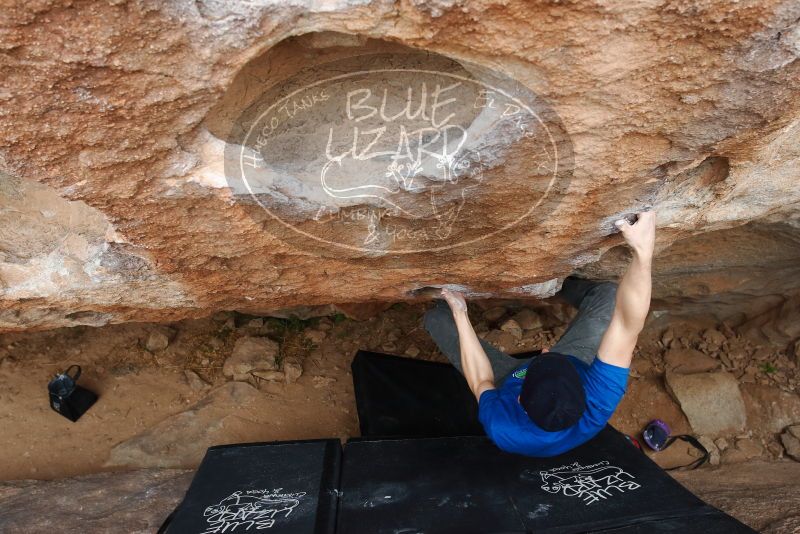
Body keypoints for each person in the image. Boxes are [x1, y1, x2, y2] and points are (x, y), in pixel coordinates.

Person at [423, 211, 656, 457]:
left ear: (520, 399)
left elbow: (482, 381)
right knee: (608, 295)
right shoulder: (598, 399)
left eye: (542, 358)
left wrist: (460, 314)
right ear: (581, 391)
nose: (545, 350)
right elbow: (626, 323)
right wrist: (643, 253)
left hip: (505, 378)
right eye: (549, 355)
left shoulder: (504, 427)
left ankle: (449, 311)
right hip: (573, 359)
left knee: (437, 319)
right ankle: (556, 287)